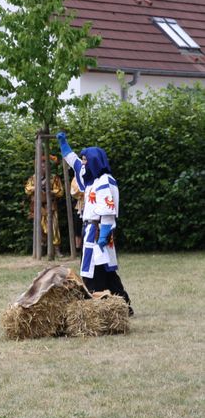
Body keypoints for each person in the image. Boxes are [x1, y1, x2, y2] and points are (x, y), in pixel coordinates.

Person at [57, 132, 133, 315]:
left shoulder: (105, 181)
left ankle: (102, 306)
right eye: (83, 160)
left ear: (95, 161)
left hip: (98, 230)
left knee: (93, 272)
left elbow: (107, 207)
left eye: (86, 160)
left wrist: (105, 232)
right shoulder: (90, 179)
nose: (83, 163)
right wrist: (64, 145)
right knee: (105, 272)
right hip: (90, 230)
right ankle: (123, 305)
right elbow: (74, 162)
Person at [24, 155, 64, 257]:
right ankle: (41, 250)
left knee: (53, 227)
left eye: (44, 165)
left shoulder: (54, 178)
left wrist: (50, 191)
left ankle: (56, 250)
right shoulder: (33, 178)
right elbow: (27, 189)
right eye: (40, 165)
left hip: (50, 206)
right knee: (40, 228)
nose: (42, 167)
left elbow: (60, 191)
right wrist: (35, 188)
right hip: (37, 206)